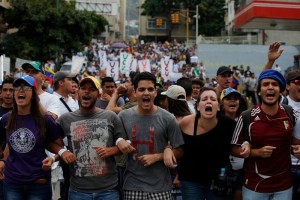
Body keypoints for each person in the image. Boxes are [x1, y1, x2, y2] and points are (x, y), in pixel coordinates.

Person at [0, 75, 74, 200]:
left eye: (26, 87)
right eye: (17, 87)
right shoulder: (7, 119)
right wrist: (2, 161)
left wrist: (53, 159)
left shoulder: (45, 120)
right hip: (13, 182)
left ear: (34, 94)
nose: (21, 90)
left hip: (38, 182)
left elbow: (59, 146)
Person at [231, 69, 300, 199]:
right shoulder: (246, 116)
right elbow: (233, 148)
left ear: (281, 90)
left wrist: (297, 150)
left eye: (274, 84)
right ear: (259, 91)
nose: (270, 87)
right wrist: (255, 152)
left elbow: (296, 144)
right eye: (265, 84)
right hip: (255, 186)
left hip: (284, 186)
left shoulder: (292, 114)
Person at [56, 76, 126, 200]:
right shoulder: (65, 119)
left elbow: (125, 143)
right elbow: (50, 141)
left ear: (98, 95)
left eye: (92, 89)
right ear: (77, 92)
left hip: (108, 190)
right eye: (83, 88)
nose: (87, 91)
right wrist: (63, 152)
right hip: (78, 190)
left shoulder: (111, 117)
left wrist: (111, 150)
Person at [117, 72, 184, 200]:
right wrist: (118, 140)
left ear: (155, 92)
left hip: (161, 187)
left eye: (150, 89)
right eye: (141, 89)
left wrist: (158, 156)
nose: (146, 93)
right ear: (135, 92)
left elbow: (180, 150)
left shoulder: (168, 118)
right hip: (132, 186)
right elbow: (116, 143)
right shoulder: (123, 116)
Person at [175, 87, 237, 200]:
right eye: (204, 99)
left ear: (218, 106)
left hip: (219, 180)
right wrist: (168, 150)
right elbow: (177, 147)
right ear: (198, 106)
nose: (208, 101)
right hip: (191, 180)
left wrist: (247, 147)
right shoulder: (186, 123)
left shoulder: (229, 124)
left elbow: (239, 145)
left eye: (213, 99)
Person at [52, 71, 79, 200]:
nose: (73, 83)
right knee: (59, 189)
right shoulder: (52, 101)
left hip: (75, 151)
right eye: (70, 79)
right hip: (59, 153)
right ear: (61, 82)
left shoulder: (72, 101)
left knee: (72, 185)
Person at [220, 88, 245, 200]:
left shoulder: (246, 119)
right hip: (221, 173)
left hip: (242, 172)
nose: (233, 101)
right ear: (221, 102)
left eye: (235, 99)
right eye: (229, 99)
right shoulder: (215, 121)